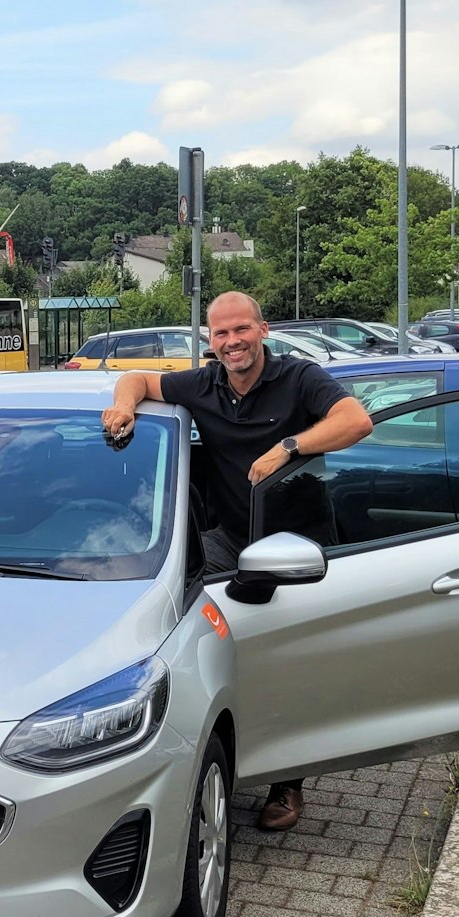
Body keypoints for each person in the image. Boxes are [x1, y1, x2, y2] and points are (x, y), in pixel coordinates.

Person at [101, 291, 373, 831]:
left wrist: (289, 448)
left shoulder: (300, 378)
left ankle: (287, 781)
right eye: (220, 334)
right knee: (192, 631)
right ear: (210, 341)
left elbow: (356, 421)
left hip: (298, 543)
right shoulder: (202, 383)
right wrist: (124, 405)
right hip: (231, 536)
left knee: (289, 656)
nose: (232, 342)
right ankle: (192, 751)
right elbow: (137, 380)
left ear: (263, 329)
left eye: (240, 330)